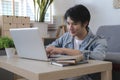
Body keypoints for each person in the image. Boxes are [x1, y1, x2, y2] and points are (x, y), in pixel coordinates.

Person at [46, 4, 107, 80]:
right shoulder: (66, 36)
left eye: (74, 24)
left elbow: (99, 56)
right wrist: (47, 50)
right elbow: (51, 46)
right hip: (63, 75)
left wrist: (63, 50)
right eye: (68, 23)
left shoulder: (98, 41)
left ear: (85, 23)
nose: (70, 28)